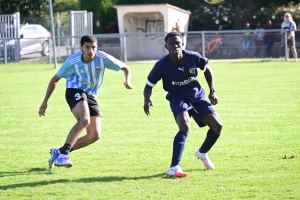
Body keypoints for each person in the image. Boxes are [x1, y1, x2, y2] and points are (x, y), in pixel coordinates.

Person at [39, 35, 133, 169]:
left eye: (93, 47)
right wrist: (45, 102)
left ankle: (59, 152)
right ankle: (63, 155)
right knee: (84, 120)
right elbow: (55, 79)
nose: (91, 51)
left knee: (95, 135)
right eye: (87, 47)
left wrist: (128, 80)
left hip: (90, 95)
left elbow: (126, 68)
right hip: (74, 90)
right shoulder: (73, 61)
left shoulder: (103, 58)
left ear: (97, 47)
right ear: (81, 48)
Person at [143, 31, 223, 178]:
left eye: (178, 43)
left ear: (183, 44)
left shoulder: (193, 57)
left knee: (217, 126)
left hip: (197, 97)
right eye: (171, 43)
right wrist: (147, 100)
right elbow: (148, 85)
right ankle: (174, 167)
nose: (175, 45)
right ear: (166, 46)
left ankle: (202, 153)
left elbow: (207, 67)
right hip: (177, 98)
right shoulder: (161, 65)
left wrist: (213, 91)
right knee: (185, 126)